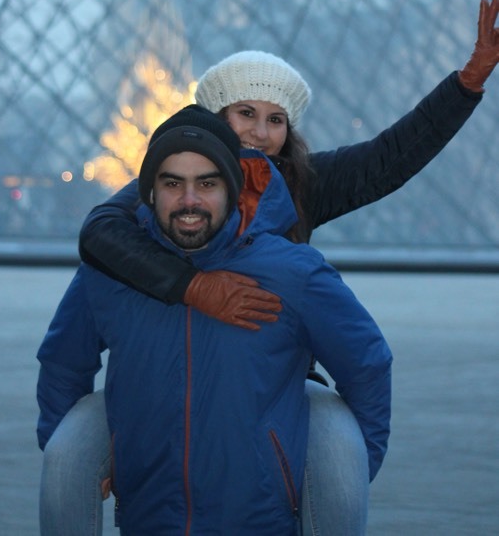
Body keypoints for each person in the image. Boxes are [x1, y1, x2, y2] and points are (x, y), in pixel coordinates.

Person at [40, 0, 499, 535]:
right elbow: (99, 236)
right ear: (211, 119)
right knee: (70, 453)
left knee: (334, 441)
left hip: (270, 388)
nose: (259, 132)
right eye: (245, 114)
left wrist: (467, 83)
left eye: (274, 119)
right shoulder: (167, 194)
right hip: (156, 385)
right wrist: (195, 287)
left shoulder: (298, 188)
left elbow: (388, 159)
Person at [37, 106, 393, 535]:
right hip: (146, 519)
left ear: (234, 189)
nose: (190, 201)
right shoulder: (108, 275)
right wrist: (85, 461)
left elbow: (367, 364)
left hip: (263, 521)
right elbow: (62, 363)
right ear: (149, 192)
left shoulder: (292, 273)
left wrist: (351, 473)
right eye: (173, 183)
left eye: (207, 183)